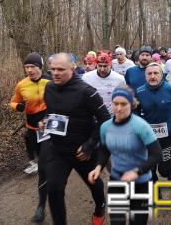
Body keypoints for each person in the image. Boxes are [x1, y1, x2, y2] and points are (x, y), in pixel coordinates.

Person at [39, 53, 111, 225]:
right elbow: (51, 111)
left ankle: (100, 206)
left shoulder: (87, 92)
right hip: (57, 149)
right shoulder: (49, 87)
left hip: (82, 151)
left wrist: (90, 144)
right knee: (54, 189)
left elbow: (106, 120)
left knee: (94, 183)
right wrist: (44, 120)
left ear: (72, 69)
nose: (55, 73)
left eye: (60, 69)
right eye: (53, 69)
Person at [89, 87, 162, 225]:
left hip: (141, 183)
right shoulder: (105, 127)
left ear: (131, 104)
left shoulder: (141, 126)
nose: (119, 108)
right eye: (115, 103)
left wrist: (137, 171)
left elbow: (156, 154)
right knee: (117, 221)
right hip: (117, 181)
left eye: (124, 104)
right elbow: (104, 150)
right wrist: (98, 167)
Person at [9, 52, 50, 222]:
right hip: (33, 129)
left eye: (33, 66)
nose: (29, 70)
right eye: (27, 67)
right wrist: (17, 106)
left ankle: (44, 201)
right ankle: (41, 205)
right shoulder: (21, 85)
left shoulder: (51, 81)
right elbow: (12, 102)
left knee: (48, 165)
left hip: (51, 128)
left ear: (40, 67)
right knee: (43, 167)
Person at [136, 63, 171, 183]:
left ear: (162, 75)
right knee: (150, 169)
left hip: (168, 136)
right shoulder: (139, 92)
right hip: (148, 138)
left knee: (164, 170)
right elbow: (135, 111)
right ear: (145, 76)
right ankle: (155, 194)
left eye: (156, 73)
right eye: (149, 74)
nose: (152, 76)